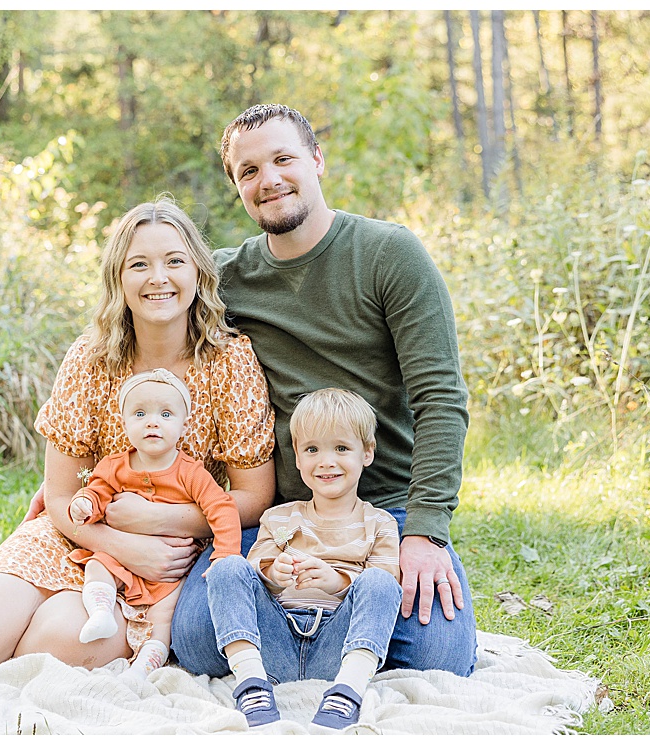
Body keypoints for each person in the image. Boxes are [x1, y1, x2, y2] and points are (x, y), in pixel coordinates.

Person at [0, 197, 276, 672]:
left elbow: (255, 496)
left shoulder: (230, 363)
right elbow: (61, 492)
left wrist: (155, 523)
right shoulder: (91, 358)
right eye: (139, 265)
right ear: (118, 279)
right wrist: (119, 539)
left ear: (197, 271)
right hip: (80, 529)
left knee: (57, 644)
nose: (159, 278)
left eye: (174, 261)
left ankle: (13, 631)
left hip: (164, 558)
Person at [170, 104, 477, 678]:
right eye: (249, 171)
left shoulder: (389, 254)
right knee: (196, 643)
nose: (269, 180)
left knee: (439, 661)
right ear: (238, 186)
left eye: (283, 159)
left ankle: (319, 635)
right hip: (282, 516)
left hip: (384, 506)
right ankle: (327, 644)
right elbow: (142, 344)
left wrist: (426, 533)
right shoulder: (226, 280)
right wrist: (73, 475)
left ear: (316, 159)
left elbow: (441, 399)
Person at [207, 388, 403, 730]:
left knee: (380, 582)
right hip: (275, 641)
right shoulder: (279, 517)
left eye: (341, 448)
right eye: (312, 450)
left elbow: (385, 589)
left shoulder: (380, 523)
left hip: (338, 646)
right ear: (297, 457)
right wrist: (273, 573)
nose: (326, 461)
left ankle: (348, 691)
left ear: (367, 453)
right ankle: (252, 684)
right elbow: (250, 575)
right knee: (227, 566)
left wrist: (337, 583)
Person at [66, 368, 243, 682]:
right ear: (124, 422)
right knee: (98, 566)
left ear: (183, 424)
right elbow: (98, 493)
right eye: (139, 413)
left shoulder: (190, 472)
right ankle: (101, 612)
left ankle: (147, 662)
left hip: (171, 566)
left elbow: (222, 507)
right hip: (122, 556)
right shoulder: (114, 465)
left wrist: (225, 554)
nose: (152, 422)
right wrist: (85, 504)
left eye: (165, 414)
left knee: (165, 614)